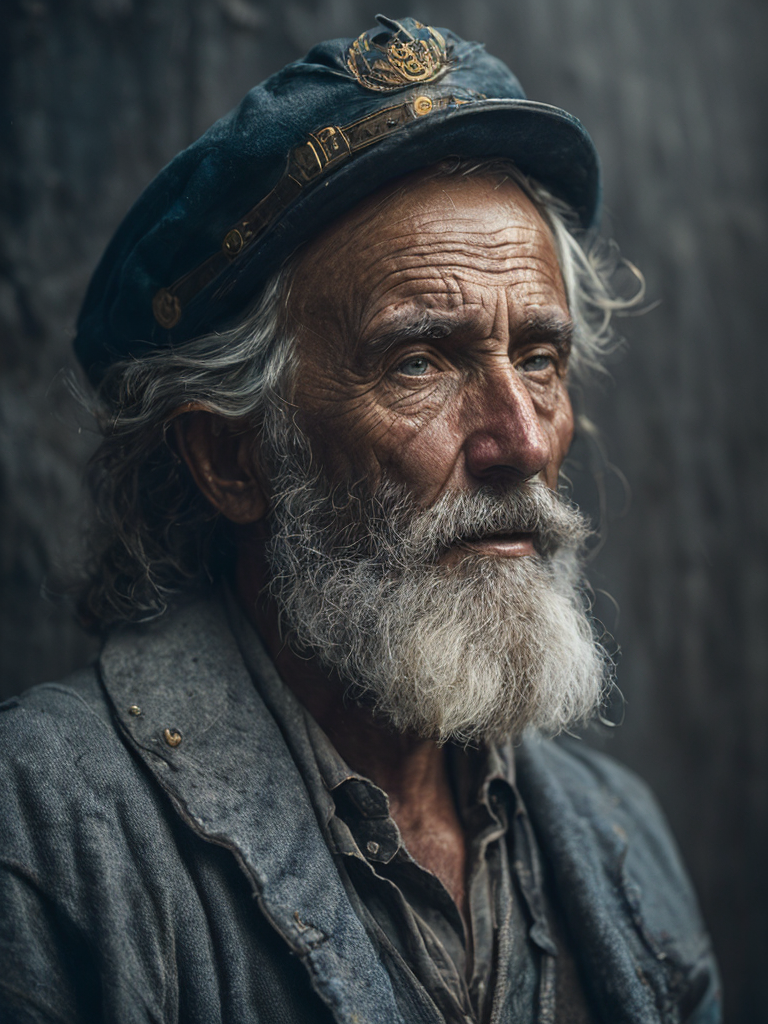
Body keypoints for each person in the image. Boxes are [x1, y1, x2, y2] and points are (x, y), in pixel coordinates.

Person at [0, 16, 720, 1024]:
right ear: (232, 458)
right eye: (420, 361)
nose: (518, 439)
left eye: (541, 359)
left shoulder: (620, 836)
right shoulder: (43, 834)